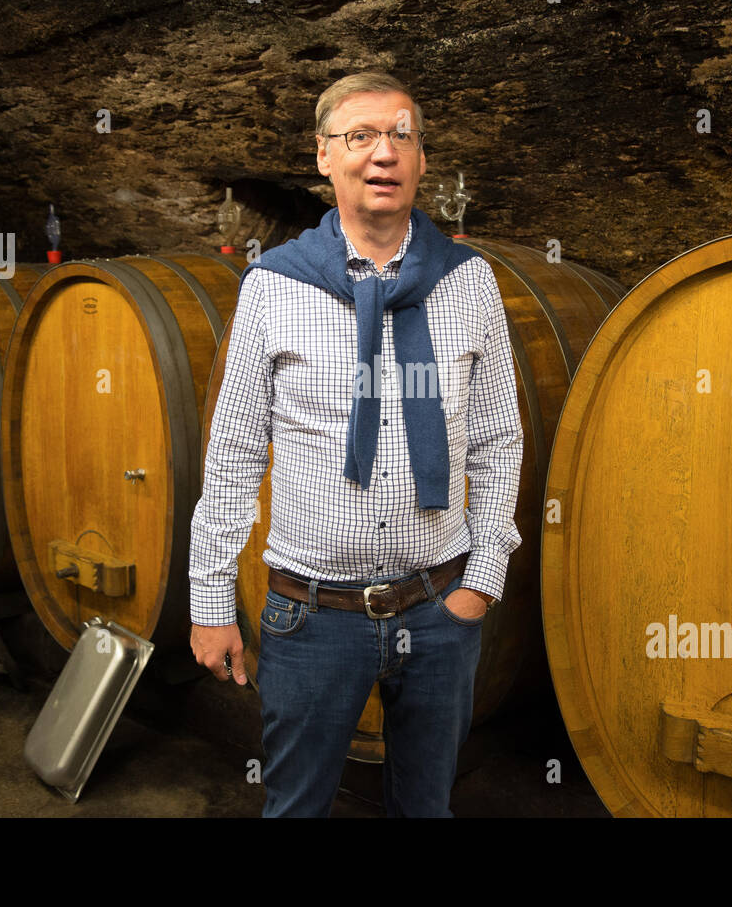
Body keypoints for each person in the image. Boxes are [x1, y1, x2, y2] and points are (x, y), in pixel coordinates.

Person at [188, 70, 523, 817]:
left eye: (401, 134)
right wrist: (211, 598)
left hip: (439, 609)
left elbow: (499, 438)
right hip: (310, 616)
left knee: (425, 809)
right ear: (323, 156)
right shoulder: (272, 287)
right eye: (360, 135)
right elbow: (234, 452)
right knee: (296, 809)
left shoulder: (471, 284)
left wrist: (482, 580)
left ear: (423, 160)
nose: (383, 152)